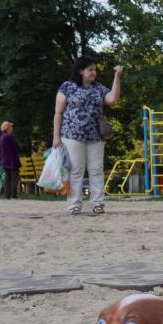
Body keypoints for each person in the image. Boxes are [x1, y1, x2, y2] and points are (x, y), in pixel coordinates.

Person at [53, 56, 122, 215]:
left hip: (96, 136)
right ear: (81, 71)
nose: (94, 73)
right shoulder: (67, 87)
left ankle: (97, 202)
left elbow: (112, 99)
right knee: (76, 170)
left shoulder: (98, 88)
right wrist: (56, 136)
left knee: (96, 169)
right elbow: (58, 112)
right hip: (71, 135)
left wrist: (117, 77)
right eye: (90, 69)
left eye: (95, 70)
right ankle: (74, 204)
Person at [0, 121, 21, 199]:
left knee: (8, 179)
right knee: (14, 178)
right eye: (11, 127)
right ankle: (13, 195)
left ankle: (7, 195)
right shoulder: (9, 136)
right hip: (12, 160)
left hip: (5, 160)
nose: (12, 128)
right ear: (8, 128)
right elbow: (17, 147)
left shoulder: (2, 137)